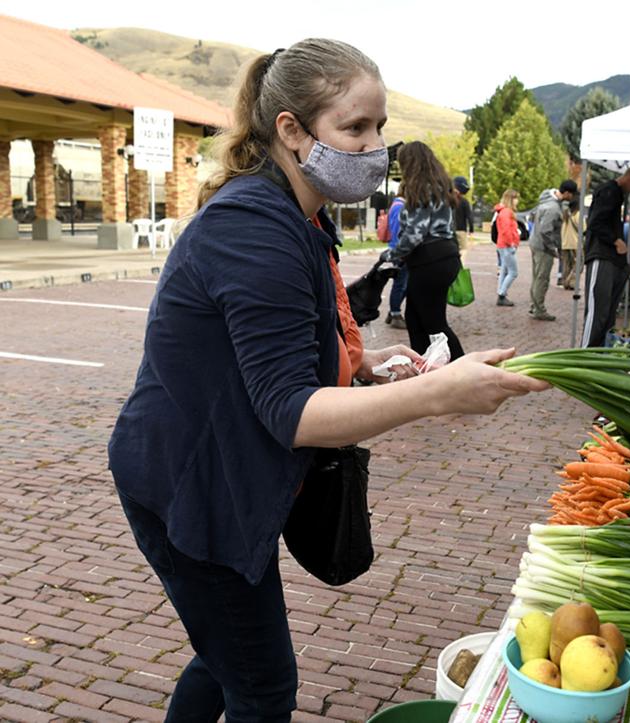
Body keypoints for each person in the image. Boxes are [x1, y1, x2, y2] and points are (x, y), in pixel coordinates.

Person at [106, 39, 547, 722]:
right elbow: (291, 412)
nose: (375, 147)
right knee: (261, 685)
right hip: (189, 485)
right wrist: (436, 394)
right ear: (291, 130)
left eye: (379, 127)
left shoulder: (293, 213)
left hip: (223, 474)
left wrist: (359, 362)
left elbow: (272, 343)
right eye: (354, 128)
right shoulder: (254, 228)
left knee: (225, 656)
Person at [385, 141, 466, 361]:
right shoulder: (440, 187)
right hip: (444, 257)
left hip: (429, 261)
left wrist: (391, 254)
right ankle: (425, 367)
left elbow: (415, 233)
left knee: (433, 323)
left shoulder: (421, 189)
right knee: (416, 319)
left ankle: (462, 366)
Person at [581, 165, 630, 348]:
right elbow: (595, 222)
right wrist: (615, 240)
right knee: (598, 312)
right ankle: (584, 353)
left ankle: (597, 352)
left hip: (610, 259)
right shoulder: (609, 191)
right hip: (601, 256)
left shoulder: (616, 194)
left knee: (605, 314)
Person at [528, 179, 579, 321]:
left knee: (537, 277)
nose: (572, 197)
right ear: (567, 193)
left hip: (536, 243)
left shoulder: (547, 201)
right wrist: (552, 248)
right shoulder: (553, 208)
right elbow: (545, 231)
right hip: (543, 247)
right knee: (542, 278)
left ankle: (534, 306)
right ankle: (539, 309)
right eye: (572, 194)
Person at [384, 193, 407, 329]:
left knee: (404, 283)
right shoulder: (400, 207)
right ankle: (395, 313)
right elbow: (399, 230)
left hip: (397, 249)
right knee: (400, 283)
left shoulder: (396, 205)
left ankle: (393, 310)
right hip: (400, 250)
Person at [494, 188, 520, 306]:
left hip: (503, 245)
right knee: (513, 272)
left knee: (504, 271)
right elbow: (506, 231)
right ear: (511, 199)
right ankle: (502, 294)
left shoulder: (503, 211)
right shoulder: (506, 212)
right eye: (515, 198)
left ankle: (501, 293)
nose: (517, 201)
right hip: (506, 245)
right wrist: (511, 243)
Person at [559, 199, 580, 290]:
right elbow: (583, 228)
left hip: (565, 243)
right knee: (578, 264)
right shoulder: (578, 215)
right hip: (575, 243)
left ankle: (565, 282)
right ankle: (571, 282)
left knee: (566, 265)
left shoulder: (564, 216)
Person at [453, 175, 474, 259]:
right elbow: (469, 216)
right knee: (463, 250)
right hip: (461, 230)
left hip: (450, 229)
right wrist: (471, 229)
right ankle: (460, 265)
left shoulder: (448, 200)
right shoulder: (464, 202)